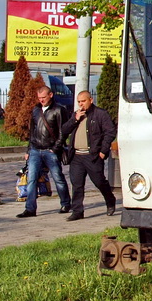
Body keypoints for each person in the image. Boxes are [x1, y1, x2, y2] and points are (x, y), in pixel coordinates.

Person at [59, 90, 118, 221]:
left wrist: (103, 151)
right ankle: (77, 211)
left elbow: (110, 132)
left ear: (90, 100)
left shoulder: (100, 114)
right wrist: (75, 119)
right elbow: (64, 130)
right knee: (77, 184)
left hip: (92, 156)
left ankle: (110, 200)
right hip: (77, 156)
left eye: (83, 101)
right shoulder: (76, 115)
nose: (81, 104)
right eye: (79, 102)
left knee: (99, 181)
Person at [16, 85, 73, 218]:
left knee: (58, 177)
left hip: (50, 150)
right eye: (39, 98)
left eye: (43, 97)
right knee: (31, 179)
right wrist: (28, 149)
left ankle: (65, 203)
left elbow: (62, 132)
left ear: (50, 95)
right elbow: (32, 131)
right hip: (36, 150)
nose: (41, 100)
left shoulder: (59, 110)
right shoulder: (36, 110)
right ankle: (30, 208)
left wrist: (56, 148)